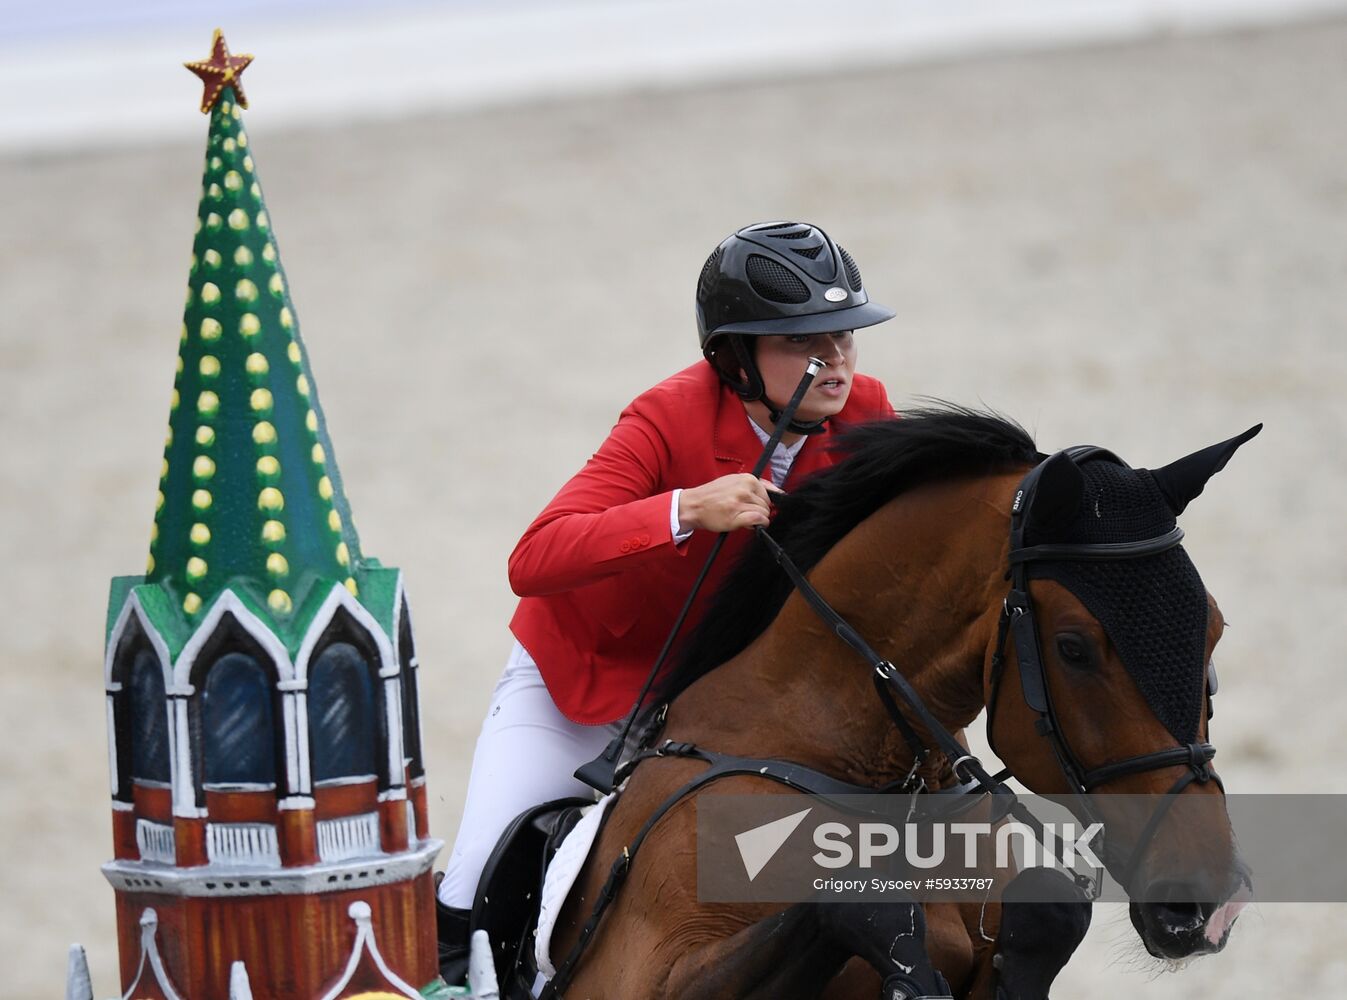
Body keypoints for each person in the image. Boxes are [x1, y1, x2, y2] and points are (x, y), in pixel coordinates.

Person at [435, 220, 897, 980]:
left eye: (845, 334)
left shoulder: (866, 414)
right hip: (584, 689)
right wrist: (681, 509)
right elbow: (534, 557)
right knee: (478, 884)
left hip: (717, 697)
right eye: (801, 340)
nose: (835, 359)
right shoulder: (664, 416)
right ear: (733, 357)